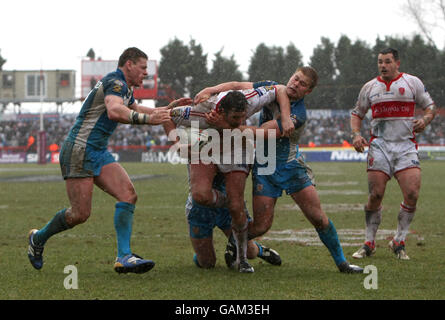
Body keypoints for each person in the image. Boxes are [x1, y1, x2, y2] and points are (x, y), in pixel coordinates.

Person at [27, 47, 188, 274]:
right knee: (79, 214)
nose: (146, 74)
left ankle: (124, 256)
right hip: (79, 150)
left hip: (97, 150)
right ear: (129, 64)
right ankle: (38, 238)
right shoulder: (115, 83)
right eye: (143, 68)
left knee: (128, 194)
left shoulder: (124, 87)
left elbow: (136, 108)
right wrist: (149, 120)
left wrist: (170, 111)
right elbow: (115, 111)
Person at [195, 66, 364, 273]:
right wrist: (210, 89)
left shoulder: (298, 114)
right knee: (261, 226)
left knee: (318, 218)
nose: (295, 84)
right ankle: (239, 245)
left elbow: (265, 132)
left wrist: (227, 126)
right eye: (295, 78)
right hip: (266, 166)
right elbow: (237, 86)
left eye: (302, 84)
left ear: (307, 91)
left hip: (291, 166)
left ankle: (342, 263)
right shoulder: (271, 88)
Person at [165, 86, 292, 273]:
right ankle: (231, 208)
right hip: (205, 188)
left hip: (236, 150)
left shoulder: (248, 99)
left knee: (238, 215)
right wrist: (177, 144)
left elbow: (279, 89)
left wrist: (286, 116)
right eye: (236, 118)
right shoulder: (201, 112)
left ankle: (245, 259)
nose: (241, 122)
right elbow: (165, 115)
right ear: (220, 111)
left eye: (243, 117)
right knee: (207, 262)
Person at [350, 48, 437, 260]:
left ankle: (398, 241)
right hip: (379, 146)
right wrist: (355, 135)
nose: (383, 65)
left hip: (406, 146)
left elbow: (430, 107)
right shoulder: (369, 87)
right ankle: (369, 243)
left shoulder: (412, 83)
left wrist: (425, 120)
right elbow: (357, 113)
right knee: (375, 195)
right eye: (380, 62)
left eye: (388, 61)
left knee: (412, 194)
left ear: (397, 63)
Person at [185, 166, 281, 269]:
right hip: (200, 209)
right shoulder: (199, 153)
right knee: (207, 263)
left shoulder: (231, 153)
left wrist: (236, 203)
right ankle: (201, 254)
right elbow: (183, 151)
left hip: (227, 206)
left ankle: (259, 250)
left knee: (249, 252)